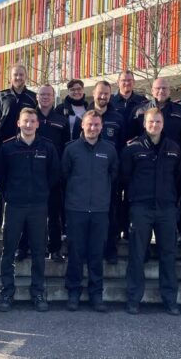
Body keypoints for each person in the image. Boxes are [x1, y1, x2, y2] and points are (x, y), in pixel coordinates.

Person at [0, 108, 59, 312]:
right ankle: (7, 291)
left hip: (38, 206)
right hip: (15, 206)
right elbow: (1, 176)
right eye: (26, 121)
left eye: (33, 121)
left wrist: (42, 192)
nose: (29, 124)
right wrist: (11, 194)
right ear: (19, 123)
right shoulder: (7, 147)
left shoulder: (47, 147)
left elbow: (54, 174)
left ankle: (38, 292)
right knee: (9, 251)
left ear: (38, 124)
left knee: (39, 251)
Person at [122, 108, 181, 316]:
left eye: (158, 122)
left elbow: (179, 177)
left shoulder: (173, 148)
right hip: (141, 208)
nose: (154, 125)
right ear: (144, 124)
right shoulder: (132, 148)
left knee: (168, 255)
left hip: (166, 208)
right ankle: (133, 299)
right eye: (151, 122)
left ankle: (170, 300)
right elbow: (125, 177)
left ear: (163, 124)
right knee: (137, 255)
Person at [62, 110, 118, 312]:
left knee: (96, 254)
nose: (93, 128)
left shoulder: (109, 150)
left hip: (100, 211)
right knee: (75, 253)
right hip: (76, 209)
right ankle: (73, 292)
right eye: (89, 124)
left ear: (101, 127)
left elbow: (113, 176)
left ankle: (96, 295)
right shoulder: (71, 149)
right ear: (82, 125)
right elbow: (64, 176)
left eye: (96, 125)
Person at [130, 78, 181, 244]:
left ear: (169, 90)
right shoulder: (139, 110)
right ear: (152, 90)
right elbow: (130, 136)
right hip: (144, 165)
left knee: (176, 199)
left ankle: (180, 232)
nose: (161, 91)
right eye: (158, 88)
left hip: (172, 163)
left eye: (164, 88)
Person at [0, 64, 38, 235]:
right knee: (1, 183)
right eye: (15, 75)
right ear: (10, 77)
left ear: (26, 76)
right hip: (4, 146)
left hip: (25, 147)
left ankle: (19, 224)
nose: (18, 78)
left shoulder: (32, 97)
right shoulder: (2, 96)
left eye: (21, 74)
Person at [86, 81, 125, 263]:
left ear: (111, 95)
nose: (103, 97)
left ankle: (110, 249)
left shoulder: (118, 117)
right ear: (93, 93)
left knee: (111, 214)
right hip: (87, 176)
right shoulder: (85, 116)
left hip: (109, 176)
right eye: (100, 93)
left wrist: (116, 174)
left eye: (106, 94)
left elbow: (123, 146)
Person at [35, 84, 70, 262]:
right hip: (33, 172)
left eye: (49, 94)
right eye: (42, 94)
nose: (45, 97)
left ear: (53, 97)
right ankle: (24, 247)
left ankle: (54, 249)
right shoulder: (30, 117)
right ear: (37, 97)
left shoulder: (61, 120)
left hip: (54, 173)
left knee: (54, 213)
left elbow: (66, 147)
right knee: (31, 212)